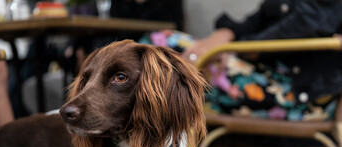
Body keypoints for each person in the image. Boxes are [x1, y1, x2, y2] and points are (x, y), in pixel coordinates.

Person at [141, 0, 342, 121]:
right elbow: (255, 22)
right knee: (158, 52)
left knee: (160, 53)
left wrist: (236, 49)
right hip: (262, 74)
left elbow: (302, 26)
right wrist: (223, 35)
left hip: (298, 95)